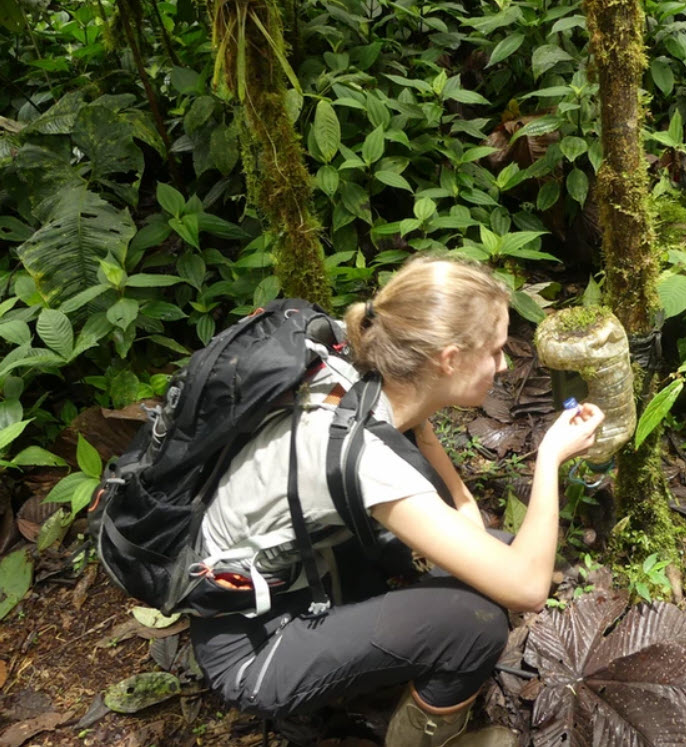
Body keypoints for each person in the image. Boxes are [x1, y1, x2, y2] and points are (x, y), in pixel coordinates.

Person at [188, 256, 605, 746]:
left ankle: (367, 680)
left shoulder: (351, 370)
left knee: (492, 549)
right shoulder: (366, 460)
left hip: (300, 577)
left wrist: (466, 505)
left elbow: (432, 461)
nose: (504, 364)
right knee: (477, 625)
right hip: (253, 647)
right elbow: (529, 587)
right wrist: (550, 459)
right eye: (494, 351)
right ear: (448, 359)